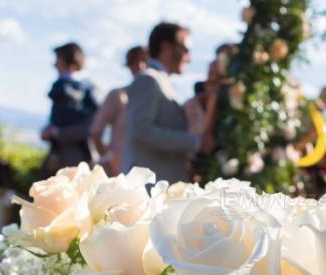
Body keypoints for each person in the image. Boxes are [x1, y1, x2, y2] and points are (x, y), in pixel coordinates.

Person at [122, 22, 215, 181]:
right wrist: (196, 142)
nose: (189, 58)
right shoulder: (148, 79)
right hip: (148, 190)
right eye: (185, 49)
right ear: (166, 47)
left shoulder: (163, 82)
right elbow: (142, 131)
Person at [89, 45, 148, 175]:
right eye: (134, 62)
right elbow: (95, 132)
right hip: (120, 171)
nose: (140, 66)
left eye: (144, 61)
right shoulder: (118, 95)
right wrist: (106, 160)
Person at [41, 42, 99, 176]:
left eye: (58, 61)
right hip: (59, 156)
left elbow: (90, 127)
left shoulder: (89, 92)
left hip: (76, 161)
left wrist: (57, 132)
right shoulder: (64, 89)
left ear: (72, 65)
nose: (54, 65)